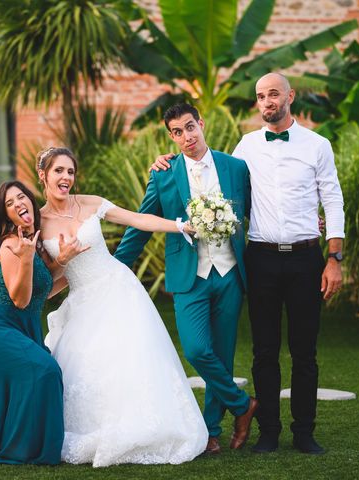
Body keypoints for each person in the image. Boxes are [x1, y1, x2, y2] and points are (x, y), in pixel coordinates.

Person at [151, 73, 345, 455]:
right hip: (261, 260)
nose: (267, 100)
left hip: (307, 257)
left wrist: (334, 256)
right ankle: (268, 431)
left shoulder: (318, 145)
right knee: (264, 350)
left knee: (305, 351)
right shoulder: (245, 148)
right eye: (260, 96)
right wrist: (168, 160)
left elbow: (333, 199)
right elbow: (221, 186)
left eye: (274, 93)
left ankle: (304, 432)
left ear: (289, 96)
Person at [36, 147, 208, 467]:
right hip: (83, 301)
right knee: (89, 367)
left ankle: (145, 427)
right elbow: (48, 283)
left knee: (130, 360)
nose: (66, 178)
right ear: (43, 175)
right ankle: (99, 428)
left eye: (70, 172)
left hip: (118, 290)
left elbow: (137, 218)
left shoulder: (90, 202)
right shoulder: (37, 223)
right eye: (59, 171)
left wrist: (179, 226)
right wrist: (61, 263)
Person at [115, 104, 259, 456]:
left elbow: (255, 212)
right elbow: (144, 222)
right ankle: (243, 405)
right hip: (189, 277)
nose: (186, 137)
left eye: (190, 127)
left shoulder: (235, 168)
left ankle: (211, 431)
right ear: (171, 136)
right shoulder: (163, 175)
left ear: (201, 124)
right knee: (197, 349)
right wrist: (116, 265)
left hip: (229, 274)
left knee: (221, 356)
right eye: (177, 132)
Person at [0, 180, 84, 465]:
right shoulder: (11, 245)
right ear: (7, 215)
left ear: (30, 202)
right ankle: (24, 448)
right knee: (46, 371)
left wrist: (66, 262)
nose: (18, 205)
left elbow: (41, 292)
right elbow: (20, 300)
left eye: (20, 197)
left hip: (14, 326)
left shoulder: (30, 244)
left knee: (37, 373)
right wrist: (25, 260)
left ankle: (20, 439)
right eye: (9, 204)